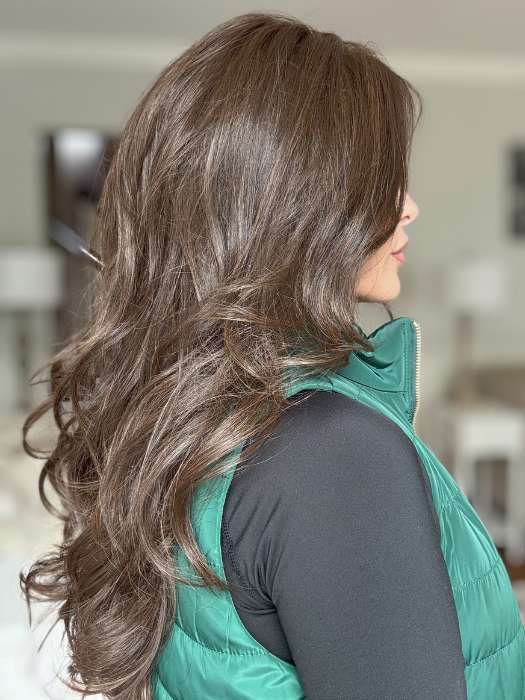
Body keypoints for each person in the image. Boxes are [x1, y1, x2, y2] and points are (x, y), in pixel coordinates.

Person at [19, 11, 525, 700]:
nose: (409, 206)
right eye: (380, 179)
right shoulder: (331, 452)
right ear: (297, 203)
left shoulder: (194, 415)